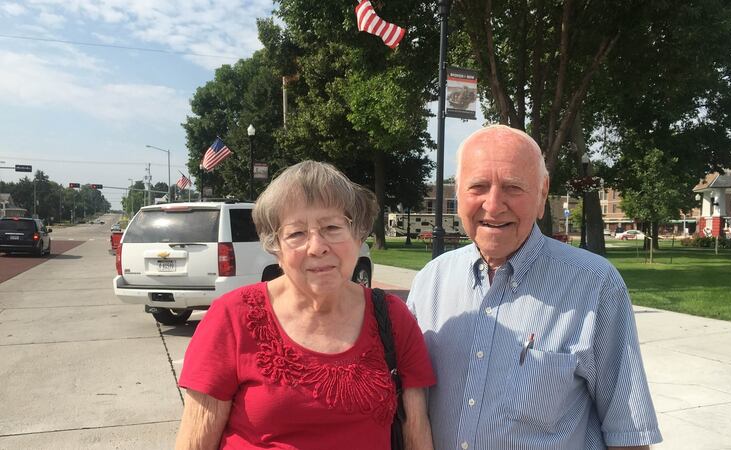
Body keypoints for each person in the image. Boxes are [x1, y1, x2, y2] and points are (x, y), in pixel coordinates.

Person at [407, 125, 662, 450]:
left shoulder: (595, 285)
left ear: (542, 195)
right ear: (457, 193)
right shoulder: (431, 282)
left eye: (513, 187)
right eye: (478, 187)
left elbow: (627, 435)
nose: (494, 204)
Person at [176, 161, 436, 450]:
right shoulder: (233, 317)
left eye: (332, 227)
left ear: (358, 235)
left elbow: (416, 434)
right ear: (276, 247)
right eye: (296, 233)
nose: (317, 247)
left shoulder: (391, 317)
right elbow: (195, 442)